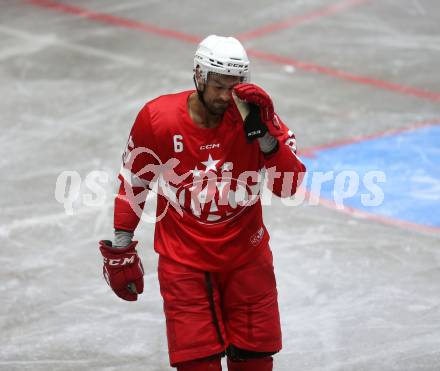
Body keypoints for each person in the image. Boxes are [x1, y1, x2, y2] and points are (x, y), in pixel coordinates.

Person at [98, 35, 306, 371]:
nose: (226, 96)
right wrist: (122, 244)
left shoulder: (257, 119)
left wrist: (266, 135)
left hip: (247, 259)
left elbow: (289, 185)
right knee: (198, 365)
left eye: (235, 86)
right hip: (184, 265)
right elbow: (134, 182)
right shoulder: (157, 119)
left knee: (254, 361)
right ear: (199, 76)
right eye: (219, 86)